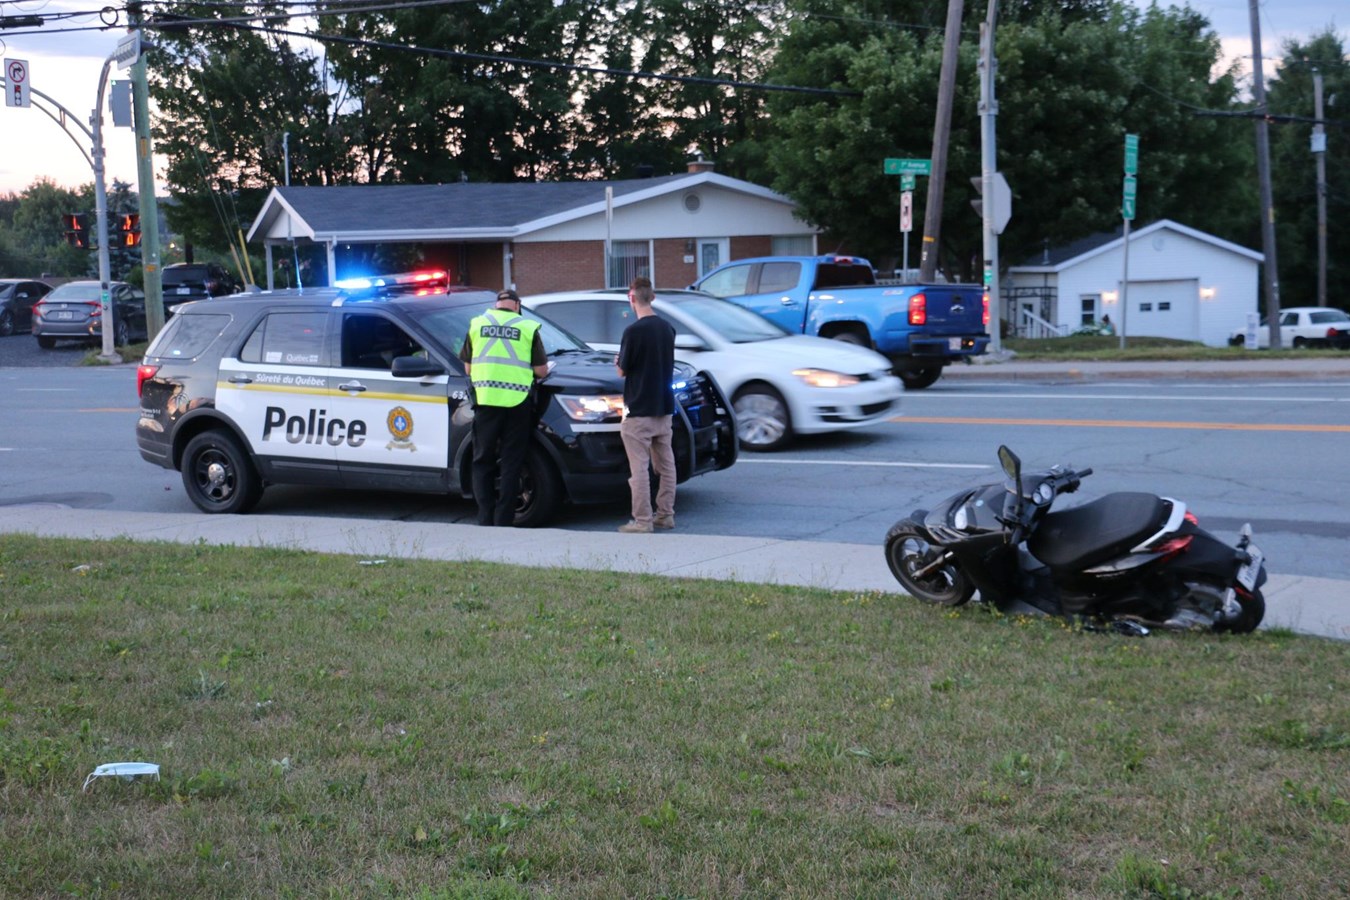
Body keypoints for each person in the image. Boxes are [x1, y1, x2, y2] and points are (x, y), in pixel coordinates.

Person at [460, 289, 549, 526]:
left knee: (482, 460)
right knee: (512, 461)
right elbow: (541, 371)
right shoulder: (527, 327)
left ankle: (484, 517)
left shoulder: (477, 324)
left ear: (496, 305)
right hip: (517, 402)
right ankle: (504, 519)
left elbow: (468, 369)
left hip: (486, 400)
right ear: (517, 306)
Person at [615, 276, 677, 534]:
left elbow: (622, 370)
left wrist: (619, 360)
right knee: (666, 465)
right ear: (652, 297)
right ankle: (666, 514)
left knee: (639, 468)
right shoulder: (667, 329)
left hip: (639, 409)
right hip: (664, 408)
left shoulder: (633, 331)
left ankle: (642, 521)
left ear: (632, 299)